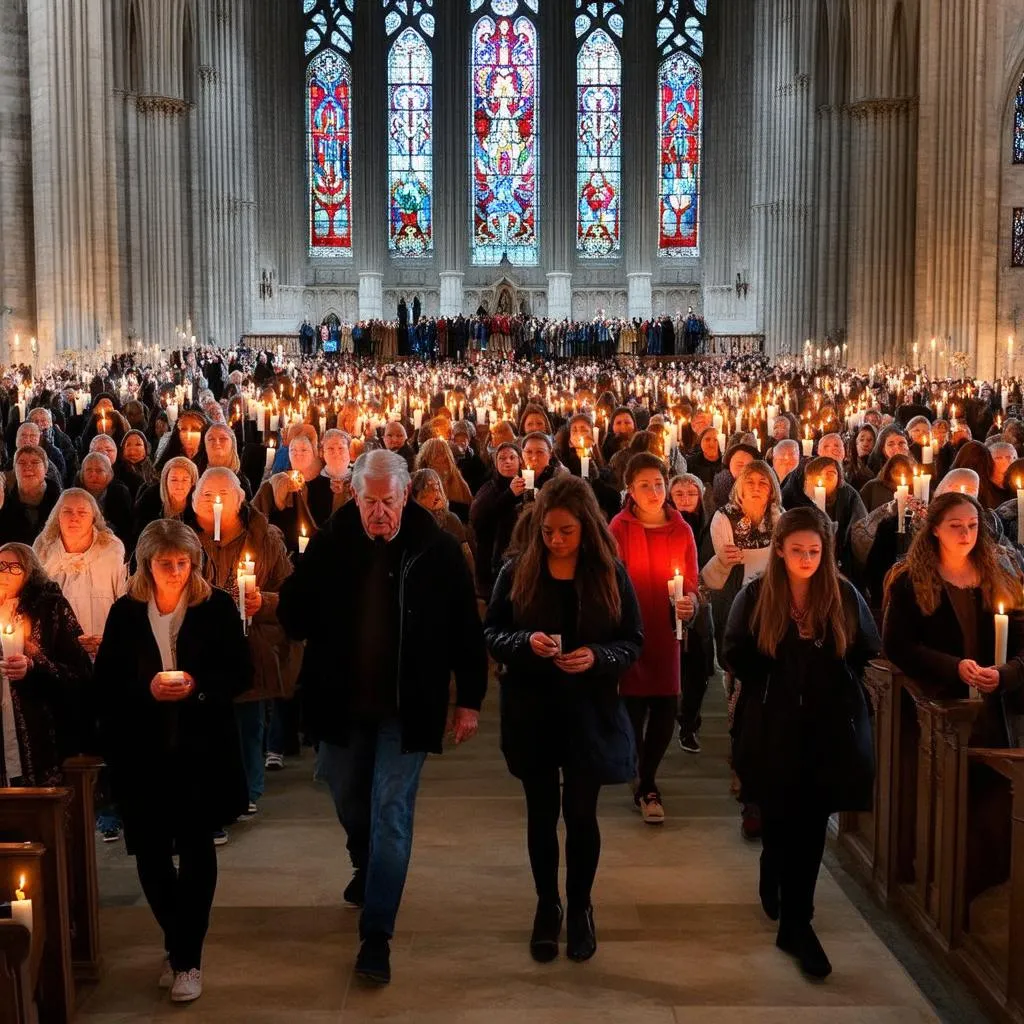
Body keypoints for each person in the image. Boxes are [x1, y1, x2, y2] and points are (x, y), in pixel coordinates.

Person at [277, 449, 487, 985]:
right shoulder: (331, 541)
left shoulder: (436, 551)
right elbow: (295, 618)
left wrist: (469, 699)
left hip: (406, 705)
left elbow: (466, 629)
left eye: (387, 502)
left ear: (405, 497)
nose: (378, 513)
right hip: (341, 700)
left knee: (391, 810)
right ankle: (365, 861)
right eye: (368, 502)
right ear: (354, 496)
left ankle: (377, 934)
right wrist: (299, 582)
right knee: (348, 795)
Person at [485, 475, 642, 963]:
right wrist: (526, 644)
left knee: (579, 814)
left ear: (586, 528)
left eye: (566, 532)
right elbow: (493, 631)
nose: (555, 540)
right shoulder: (517, 572)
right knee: (540, 814)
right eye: (548, 531)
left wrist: (597, 656)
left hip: (587, 710)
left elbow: (632, 641)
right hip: (533, 708)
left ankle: (580, 908)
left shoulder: (609, 573)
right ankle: (546, 905)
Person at [94, 519, 251, 1003]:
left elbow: (240, 672)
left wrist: (198, 688)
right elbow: (106, 682)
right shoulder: (126, 613)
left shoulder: (216, 607)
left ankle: (187, 960)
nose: (176, 572)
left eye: (184, 563)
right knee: (153, 855)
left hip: (201, 750)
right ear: (147, 564)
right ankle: (177, 940)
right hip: (143, 751)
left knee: (198, 849)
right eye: (166, 564)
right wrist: (147, 689)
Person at [723, 507, 880, 980]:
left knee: (810, 824)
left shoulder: (843, 594)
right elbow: (732, 651)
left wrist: (830, 671)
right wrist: (774, 667)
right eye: (798, 551)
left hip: (825, 728)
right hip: (772, 724)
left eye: (814, 551)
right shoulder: (755, 596)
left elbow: (867, 647)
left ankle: (798, 923)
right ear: (779, 551)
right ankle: (772, 864)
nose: (807, 559)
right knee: (779, 817)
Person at [191, 468, 298, 814]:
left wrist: (262, 601)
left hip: (249, 641)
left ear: (239, 501)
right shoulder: (183, 538)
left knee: (249, 721)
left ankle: (249, 787)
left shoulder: (265, 539)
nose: (215, 502)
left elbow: (291, 592)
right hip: (200, 646)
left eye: (223, 495)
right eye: (207, 495)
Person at [883, 493, 1024, 746]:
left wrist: (1007, 672)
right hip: (940, 708)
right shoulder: (911, 582)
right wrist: (954, 667)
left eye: (972, 525)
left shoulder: (998, 577)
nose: (966, 534)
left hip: (997, 710)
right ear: (936, 529)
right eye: (955, 526)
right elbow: (898, 645)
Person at [610, 453, 698, 821]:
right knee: (631, 708)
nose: (653, 491)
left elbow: (691, 584)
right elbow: (609, 580)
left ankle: (648, 780)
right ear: (630, 489)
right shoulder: (618, 528)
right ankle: (640, 776)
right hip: (630, 630)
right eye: (644, 485)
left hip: (666, 630)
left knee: (664, 706)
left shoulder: (682, 529)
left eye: (659, 484)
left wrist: (689, 603)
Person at [0, 542, 92, 785]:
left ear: (29, 571)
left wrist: (34, 663)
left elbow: (79, 671)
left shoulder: (51, 606)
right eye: (0, 566)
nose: (5, 573)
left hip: (41, 729)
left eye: (14, 567)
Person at [470, 442, 526, 598]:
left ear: (520, 460)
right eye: (502, 458)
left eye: (512, 457)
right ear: (495, 463)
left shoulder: (528, 485)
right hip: (493, 559)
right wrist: (509, 495)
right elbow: (479, 521)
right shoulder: (489, 488)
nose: (507, 462)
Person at [411, 468, 475, 575]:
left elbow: (466, 556)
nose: (436, 491)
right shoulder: (411, 523)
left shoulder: (450, 519)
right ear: (418, 497)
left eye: (437, 486)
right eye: (429, 488)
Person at [0, 446, 62, 545]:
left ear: (46, 469)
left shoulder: (61, 504)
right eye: (21, 463)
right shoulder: (4, 503)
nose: (28, 467)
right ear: (14, 470)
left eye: (35, 462)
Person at [133, 457, 199, 542]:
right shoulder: (149, 500)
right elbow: (141, 536)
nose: (179, 486)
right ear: (165, 481)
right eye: (174, 480)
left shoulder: (199, 504)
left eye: (185, 480)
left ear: (192, 482)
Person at [413, 438, 473, 524]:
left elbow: (468, 510)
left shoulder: (458, 480)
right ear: (427, 460)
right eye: (437, 455)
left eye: (444, 454)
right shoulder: (420, 481)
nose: (442, 458)